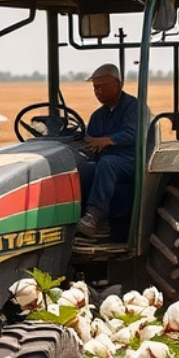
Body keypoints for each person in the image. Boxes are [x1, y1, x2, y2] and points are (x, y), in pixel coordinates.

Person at [75, 63, 143, 241]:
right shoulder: (98, 116)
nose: (98, 92)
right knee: (85, 168)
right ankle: (77, 215)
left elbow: (133, 134)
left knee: (107, 163)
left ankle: (95, 215)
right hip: (107, 162)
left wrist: (107, 141)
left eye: (101, 87)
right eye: (95, 88)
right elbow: (91, 141)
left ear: (118, 85)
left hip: (134, 161)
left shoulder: (134, 107)